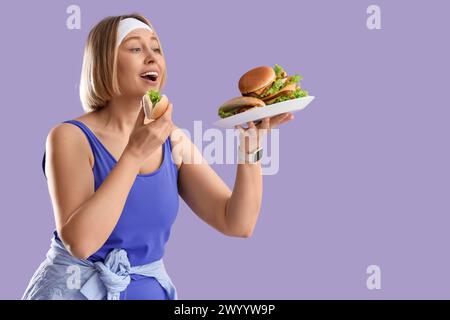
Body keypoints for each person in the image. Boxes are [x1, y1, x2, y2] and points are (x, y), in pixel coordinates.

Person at [22, 13, 295, 300]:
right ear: (105, 62)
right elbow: (81, 242)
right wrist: (134, 154)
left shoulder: (172, 138)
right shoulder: (69, 137)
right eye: (136, 48)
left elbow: (237, 223)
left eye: (157, 48)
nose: (152, 57)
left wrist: (250, 149)